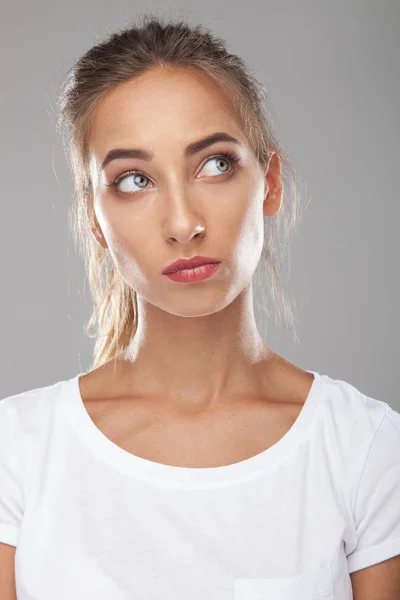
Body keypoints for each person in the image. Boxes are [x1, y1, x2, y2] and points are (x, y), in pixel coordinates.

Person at [1, 12, 399, 600]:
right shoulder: (17, 450)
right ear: (93, 217)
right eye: (135, 179)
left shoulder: (365, 447)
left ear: (270, 182)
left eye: (215, 164)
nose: (184, 223)